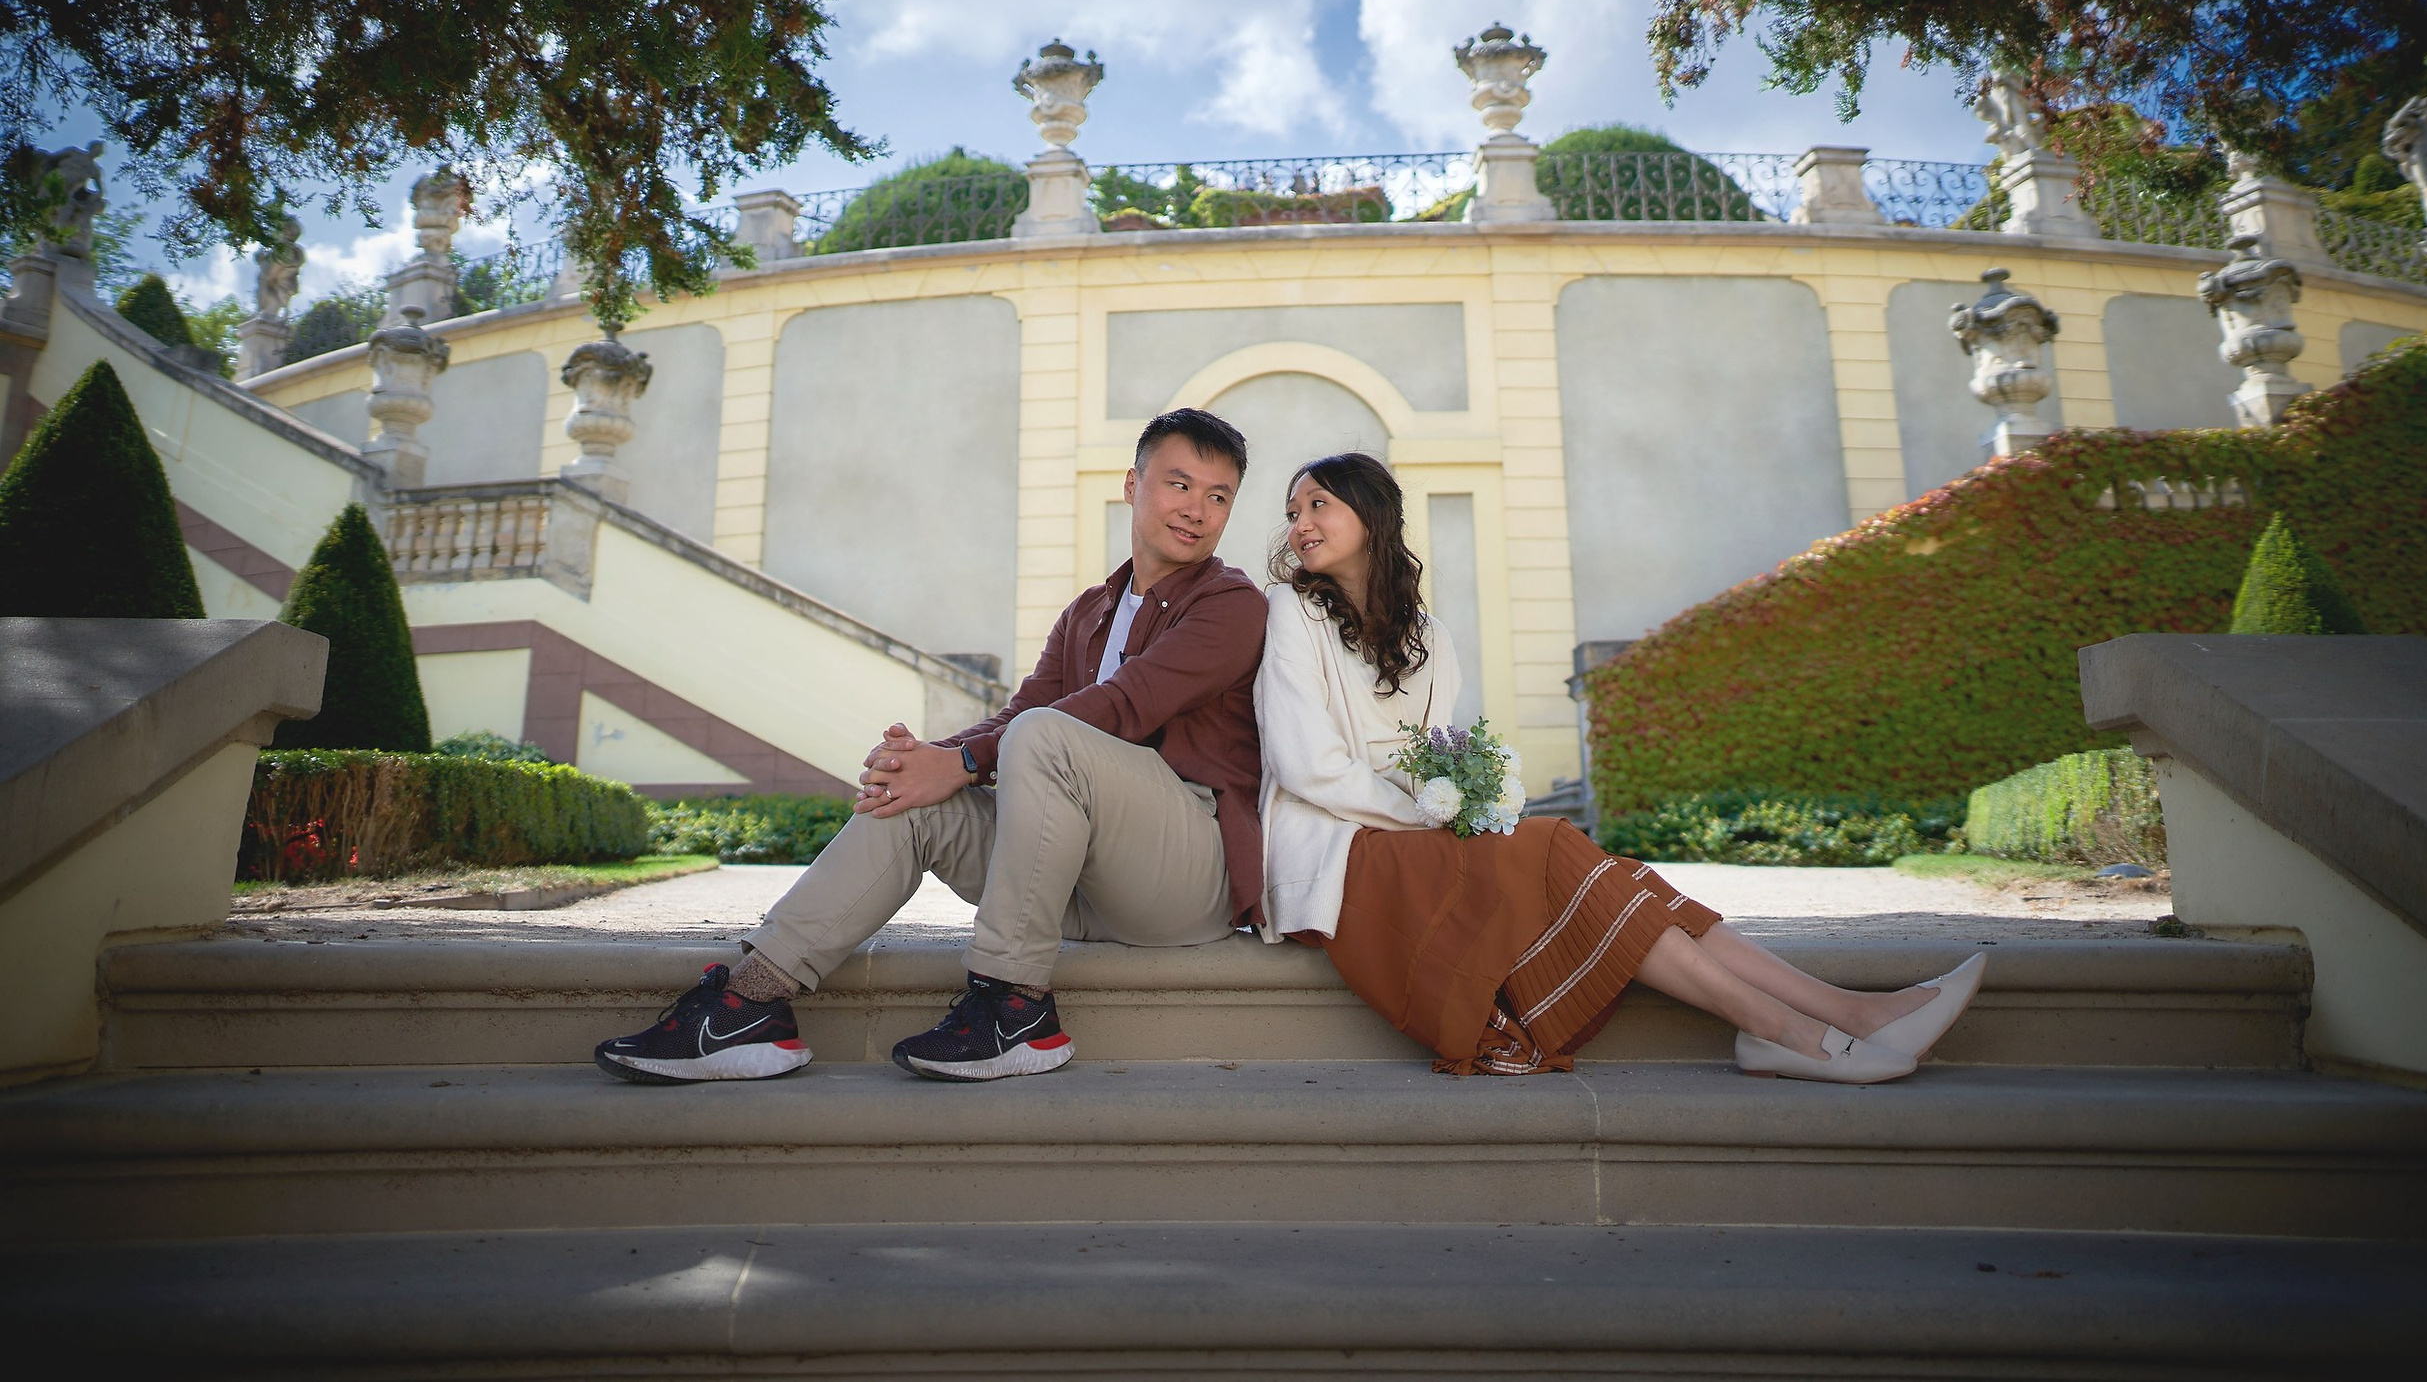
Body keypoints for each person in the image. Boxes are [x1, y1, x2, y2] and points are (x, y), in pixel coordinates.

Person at [1254, 451, 1984, 1083]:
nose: (1300, 524)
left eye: (1318, 504)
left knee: (1611, 874)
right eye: (1293, 511)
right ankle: (1790, 1027)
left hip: (1418, 837)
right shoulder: (1290, 610)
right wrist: (1433, 812)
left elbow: (1437, 755)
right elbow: (1305, 765)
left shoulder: (1431, 637)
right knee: (1551, 845)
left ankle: (1847, 1012)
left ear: (1373, 517)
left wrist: (1463, 800)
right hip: (1335, 848)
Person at [594, 407, 1268, 1084]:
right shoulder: (1090, 611)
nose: (1198, 511)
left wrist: (964, 762)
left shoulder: (1232, 604)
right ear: (1132, 484)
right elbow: (1025, 711)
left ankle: (1014, 1007)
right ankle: (749, 1003)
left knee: (1043, 737)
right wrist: (928, 762)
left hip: (1182, 878)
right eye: (1179, 485)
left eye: (1218, 497)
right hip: (1079, 877)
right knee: (916, 805)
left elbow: (1122, 707)